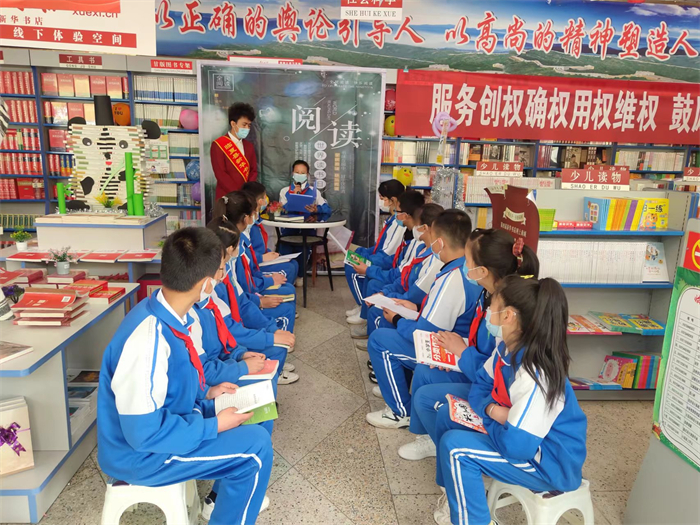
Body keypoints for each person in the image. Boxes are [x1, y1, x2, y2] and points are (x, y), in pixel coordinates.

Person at [97, 227, 272, 525]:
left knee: (258, 414)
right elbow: (143, 434)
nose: (221, 279)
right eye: (219, 272)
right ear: (205, 284)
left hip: (173, 421)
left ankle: (218, 501)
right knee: (255, 449)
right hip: (143, 454)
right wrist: (214, 425)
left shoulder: (172, 313)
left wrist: (207, 394)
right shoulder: (147, 339)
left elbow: (173, 384)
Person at [433, 276, 587, 525]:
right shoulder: (506, 348)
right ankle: (456, 493)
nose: (487, 311)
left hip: (549, 464)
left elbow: (517, 447)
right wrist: (496, 412)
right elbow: (479, 386)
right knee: (447, 415)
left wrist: (495, 414)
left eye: (492, 305)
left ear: (508, 316)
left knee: (457, 448)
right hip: (516, 436)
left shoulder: (535, 372)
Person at [402, 230, 540, 461]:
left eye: (467, 261)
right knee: (425, 372)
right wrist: (454, 353)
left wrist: (461, 353)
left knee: (429, 397)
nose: (464, 266)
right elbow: (482, 347)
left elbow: (496, 368)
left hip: (489, 383)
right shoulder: (487, 294)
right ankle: (429, 437)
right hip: (476, 368)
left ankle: (444, 443)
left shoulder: (506, 313)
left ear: (483, 271)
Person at [365, 210, 480, 429]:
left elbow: (424, 333)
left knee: (380, 340)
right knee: (391, 324)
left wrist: (398, 319)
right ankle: (396, 386)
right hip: (454, 340)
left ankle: (399, 412)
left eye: (432, 237)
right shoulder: (464, 267)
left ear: (440, 242)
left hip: (447, 351)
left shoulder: (453, 278)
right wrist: (416, 309)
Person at [205, 216, 299, 385]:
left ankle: (272, 370)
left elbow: (242, 302)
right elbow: (227, 331)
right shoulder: (211, 288)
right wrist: (268, 337)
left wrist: (269, 330)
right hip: (226, 353)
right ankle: (274, 373)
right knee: (277, 344)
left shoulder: (224, 273)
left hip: (231, 345)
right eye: (236, 248)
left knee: (277, 338)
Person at [362, 203, 444, 350]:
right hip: (407, 299)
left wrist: (390, 298)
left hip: (414, 305)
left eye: (416, 225)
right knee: (376, 296)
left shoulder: (435, 258)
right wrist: (384, 293)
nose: (413, 228)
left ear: (425, 228)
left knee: (379, 311)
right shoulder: (420, 248)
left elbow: (415, 294)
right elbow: (404, 277)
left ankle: (381, 347)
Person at [212, 193, 297, 333]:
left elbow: (241, 292)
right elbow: (240, 296)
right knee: (286, 306)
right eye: (254, 213)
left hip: (245, 304)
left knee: (288, 291)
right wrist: (261, 300)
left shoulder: (231, 245)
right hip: (240, 317)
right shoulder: (223, 269)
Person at [349, 189, 425, 339]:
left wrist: (371, 269)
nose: (396, 214)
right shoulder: (409, 234)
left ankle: (371, 326)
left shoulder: (419, 243)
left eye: (398, 211)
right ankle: (365, 315)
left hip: (404, 287)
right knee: (371, 279)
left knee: (374, 284)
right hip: (399, 279)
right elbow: (397, 262)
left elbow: (404, 275)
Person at [345, 179, 406, 321]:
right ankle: (362, 305)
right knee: (354, 256)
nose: (380, 202)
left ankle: (363, 308)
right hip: (382, 258)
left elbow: (388, 254)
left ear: (393, 200)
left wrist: (367, 259)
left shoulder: (399, 222)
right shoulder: (393, 219)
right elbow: (381, 246)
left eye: (382, 198)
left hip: (385, 262)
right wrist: (362, 252)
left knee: (352, 266)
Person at [242, 180, 300, 286]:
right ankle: (279, 291)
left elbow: (260, 247)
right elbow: (244, 253)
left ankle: (284, 291)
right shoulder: (247, 224)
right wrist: (262, 257)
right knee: (289, 268)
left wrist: (271, 254)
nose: (266, 199)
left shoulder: (256, 220)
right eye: (265, 197)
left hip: (260, 258)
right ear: (260, 201)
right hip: (255, 264)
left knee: (294, 263)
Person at [211, 102, 258, 200]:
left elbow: (253, 171)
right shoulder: (218, 145)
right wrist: (238, 194)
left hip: (246, 197)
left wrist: (247, 192)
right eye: (244, 125)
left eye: (249, 125)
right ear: (233, 124)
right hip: (226, 197)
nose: (247, 128)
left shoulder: (249, 146)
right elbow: (221, 174)